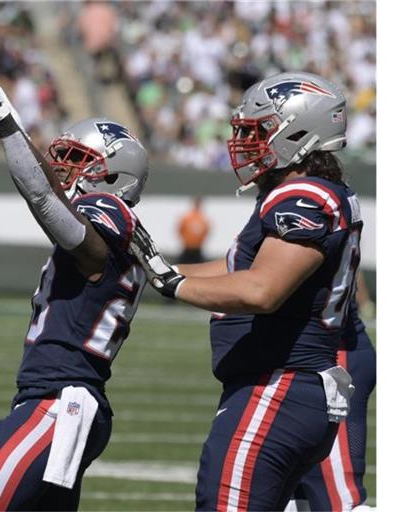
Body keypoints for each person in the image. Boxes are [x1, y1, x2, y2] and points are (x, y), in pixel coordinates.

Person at [130, 71, 363, 510]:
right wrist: (154, 268)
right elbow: (239, 268)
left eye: (258, 132)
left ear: (298, 132)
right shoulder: (303, 191)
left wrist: (173, 283)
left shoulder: (303, 196)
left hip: (278, 387)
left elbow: (262, 289)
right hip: (284, 389)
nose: (246, 142)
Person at [0, 54, 150, 511]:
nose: (62, 170)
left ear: (113, 177)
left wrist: (4, 119)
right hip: (62, 404)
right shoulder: (119, 231)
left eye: (77, 160)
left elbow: (42, 195)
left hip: (59, 405)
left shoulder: (111, 215)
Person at [286, 297, 376, 511]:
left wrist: (189, 283)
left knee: (340, 504)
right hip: (288, 364)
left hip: (327, 359)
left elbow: (260, 290)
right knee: (290, 501)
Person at [177, 196, 210, 264]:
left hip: (197, 248)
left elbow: (206, 231)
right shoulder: (187, 217)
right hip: (187, 247)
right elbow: (180, 229)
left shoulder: (202, 218)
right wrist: (186, 240)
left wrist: (199, 241)